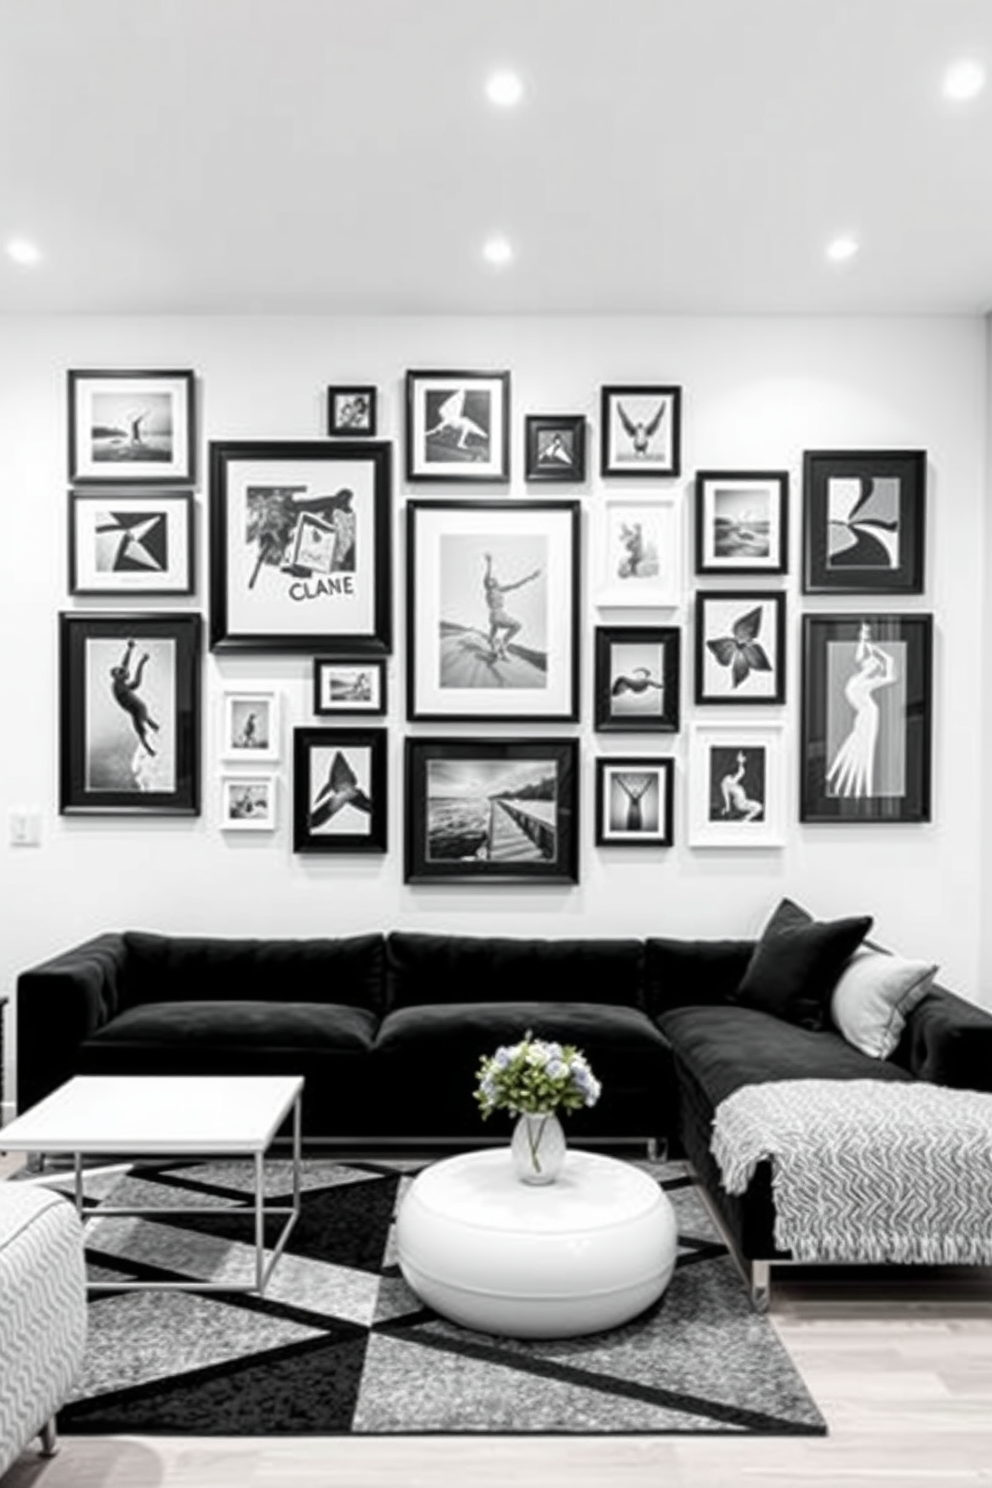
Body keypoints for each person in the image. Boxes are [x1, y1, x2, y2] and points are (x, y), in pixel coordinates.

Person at [827, 623, 896, 798]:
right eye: (869, 662)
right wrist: (864, 639)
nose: (869, 663)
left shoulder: (867, 682)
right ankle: (840, 777)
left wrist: (878, 652)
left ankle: (857, 786)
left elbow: (891, 670)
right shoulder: (858, 679)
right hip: (864, 714)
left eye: (872, 664)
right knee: (856, 745)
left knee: (863, 749)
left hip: (869, 713)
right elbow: (860, 656)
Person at [482, 552, 541, 662]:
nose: (492, 581)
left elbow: (516, 585)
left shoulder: (500, 590)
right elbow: (487, 577)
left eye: (494, 580)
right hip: (496, 614)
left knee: (492, 636)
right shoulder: (489, 589)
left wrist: (531, 577)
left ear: (497, 583)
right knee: (517, 625)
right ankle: (502, 646)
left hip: (498, 615)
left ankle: (495, 651)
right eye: (491, 581)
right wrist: (489, 563)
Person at [109, 639, 159, 756]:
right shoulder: (118, 687)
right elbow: (135, 681)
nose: (124, 672)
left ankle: (154, 731)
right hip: (137, 711)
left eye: (121, 671)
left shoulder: (121, 684)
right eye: (120, 673)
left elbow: (125, 665)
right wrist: (141, 663)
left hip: (140, 709)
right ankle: (150, 751)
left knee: (147, 722)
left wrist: (129, 649)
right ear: (115, 676)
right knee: (143, 731)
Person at [720, 752, 763, 821]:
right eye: (741, 756)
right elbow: (726, 797)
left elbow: (740, 773)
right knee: (759, 807)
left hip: (744, 802)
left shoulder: (733, 782)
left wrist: (741, 763)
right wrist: (727, 808)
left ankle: (745, 819)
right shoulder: (726, 782)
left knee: (759, 807)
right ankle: (745, 819)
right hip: (740, 804)